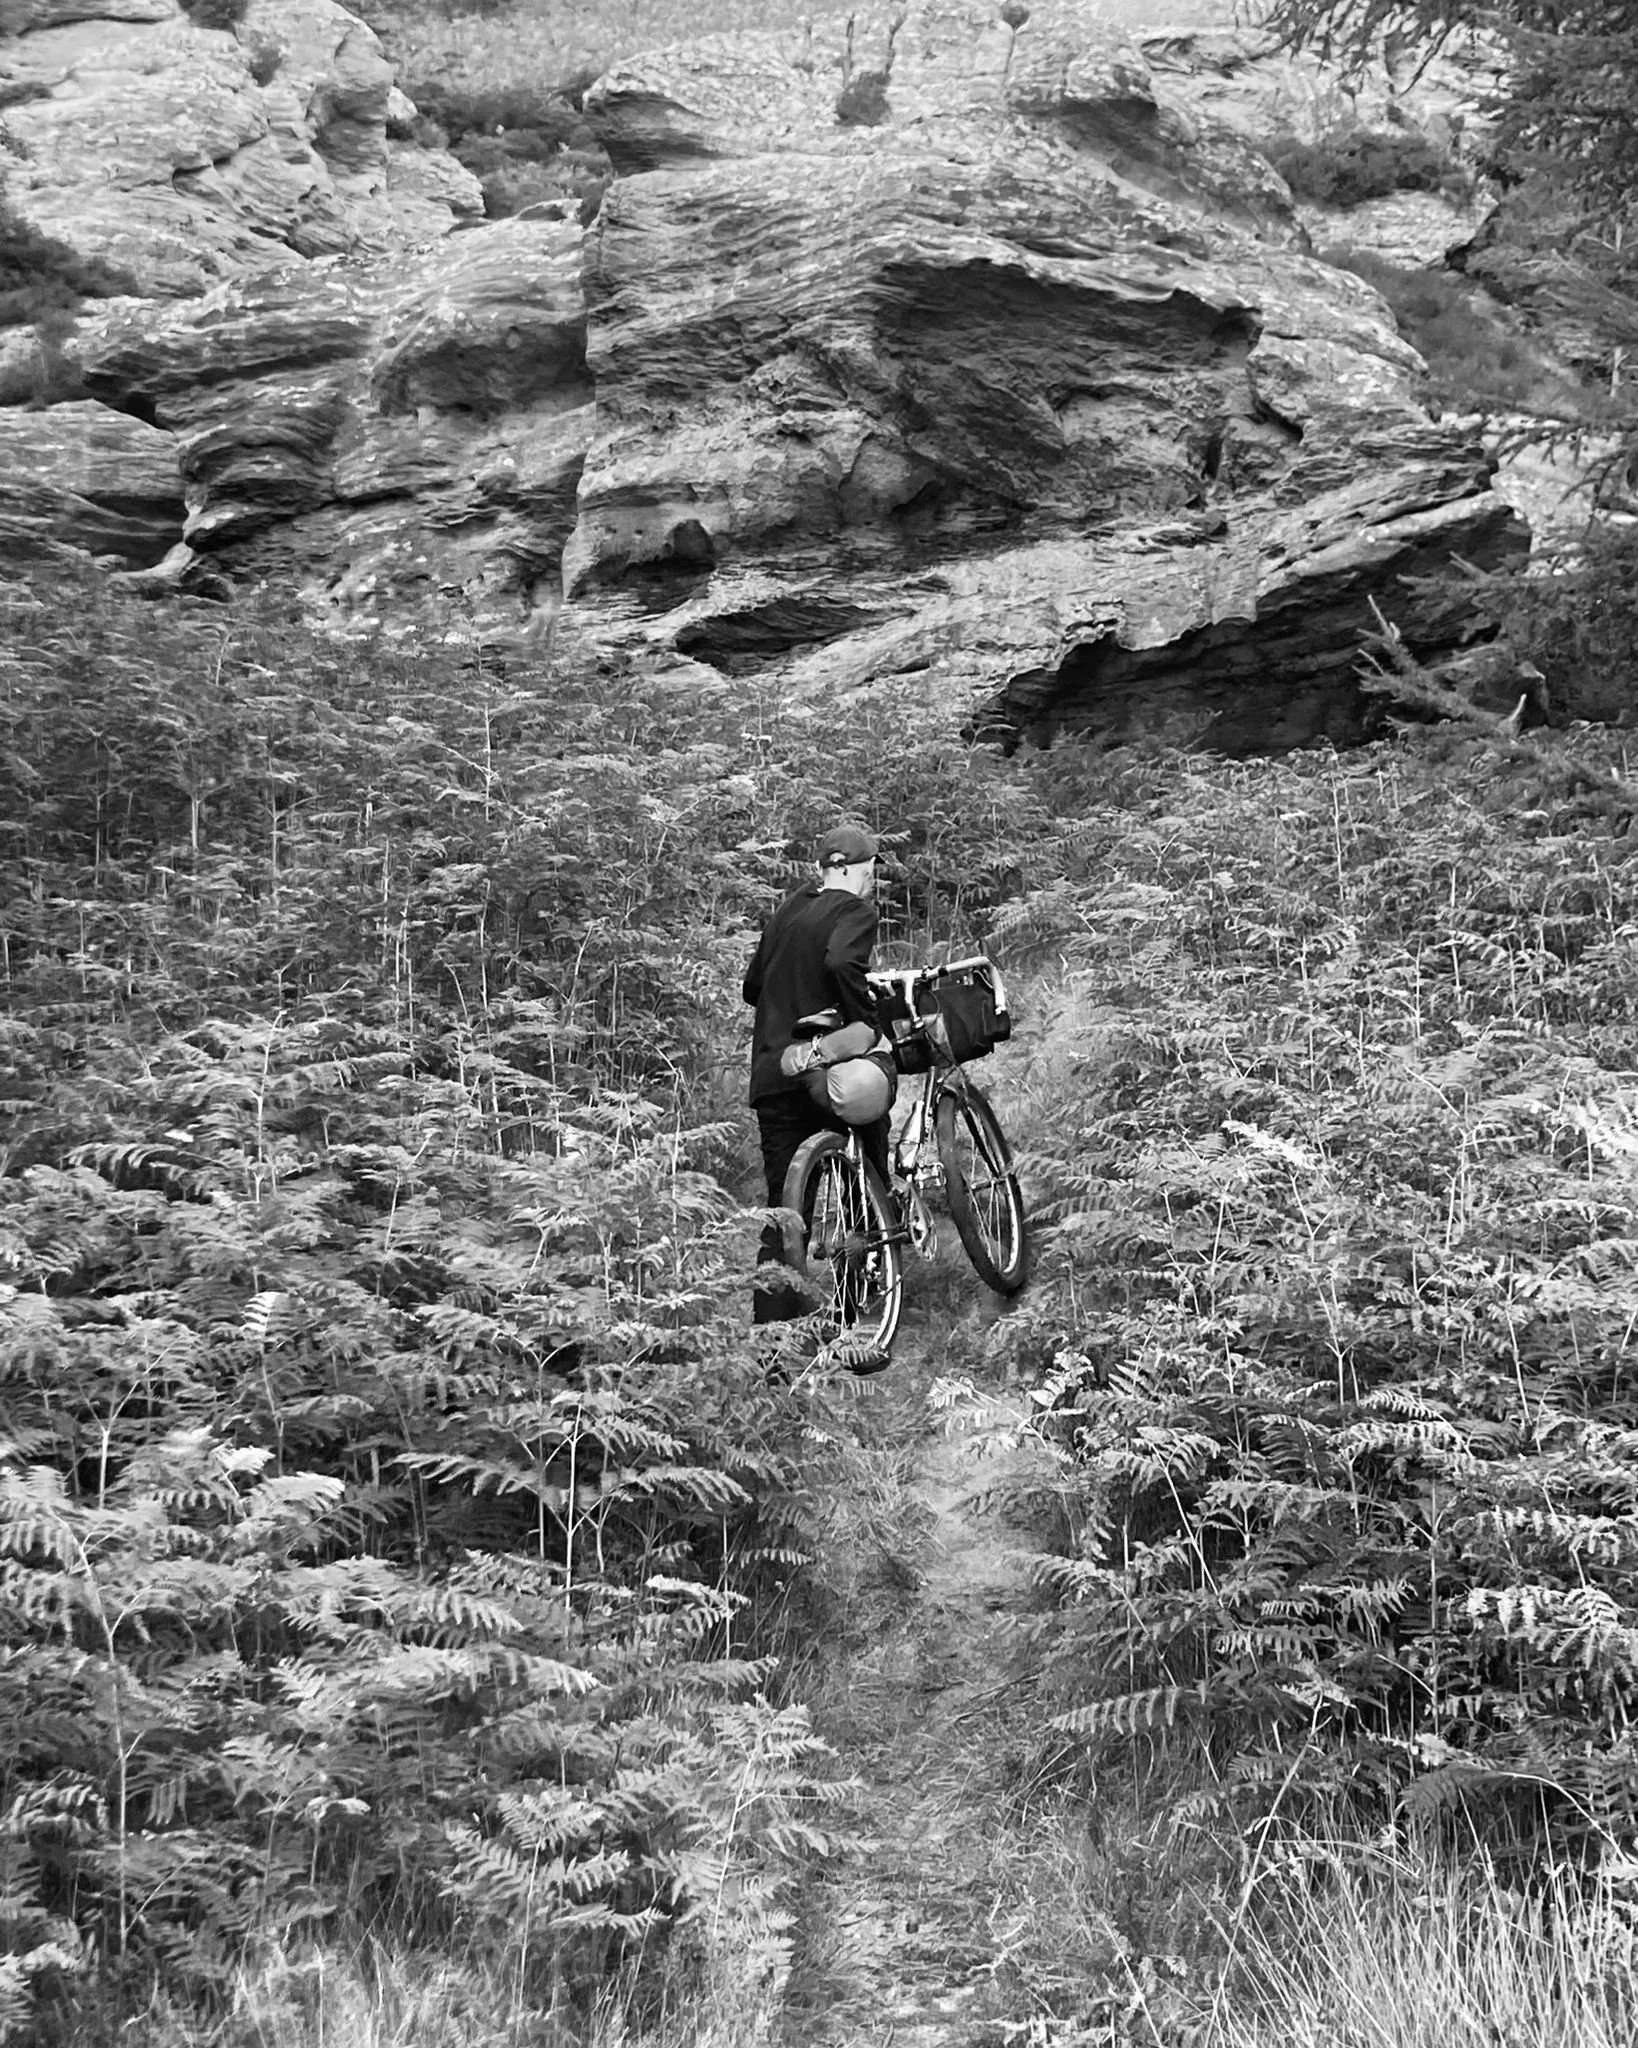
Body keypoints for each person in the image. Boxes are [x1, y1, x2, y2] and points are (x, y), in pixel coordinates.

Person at [743, 823, 892, 1324]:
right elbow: (841, 960)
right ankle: (864, 1272)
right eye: (871, 867)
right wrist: (862, 1019)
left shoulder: (790, 908)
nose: (873, 878)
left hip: (770, 1072)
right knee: (866, 1141)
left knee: (784, 1213)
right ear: (848, 869)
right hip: (820, 1067)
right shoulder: (855, 910)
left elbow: (752, 987)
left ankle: (771, 1344)